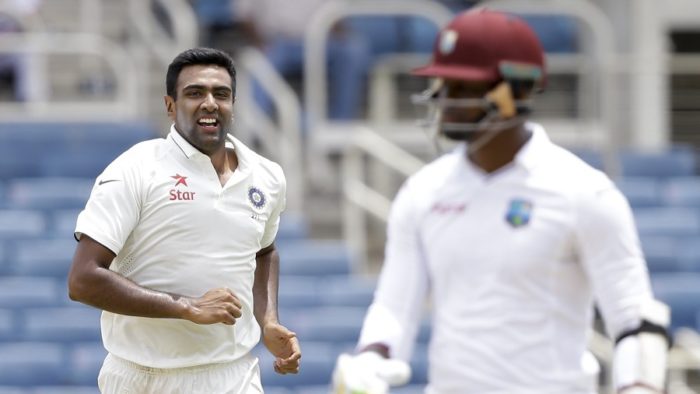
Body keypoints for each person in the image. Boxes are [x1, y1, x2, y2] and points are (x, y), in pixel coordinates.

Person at [332, 9, 669, 394]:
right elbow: (394, 307)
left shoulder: (584, 192)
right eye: (444, 86)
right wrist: (371, 359)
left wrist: (638, 386)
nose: (446, 102)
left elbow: (635, 318)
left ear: (519, 92)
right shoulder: (423, 192)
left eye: (464, 89)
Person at [67, 47, 301, 393]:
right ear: (170, 106)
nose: (210, 103)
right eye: (195, 93)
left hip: (231, 375)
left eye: (221, 94)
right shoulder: (136, 168)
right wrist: (186, 307)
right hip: (141, 376)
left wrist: (267, 320)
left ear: (233, 105)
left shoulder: (267, 176)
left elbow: (264, 252)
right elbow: (82, 280)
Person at [232, 0, 370, 120]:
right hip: (276, 43)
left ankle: (341, 126)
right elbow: (243, 14)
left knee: (352, 50)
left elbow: (336, 15)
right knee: (259, 64)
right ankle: (256, 132)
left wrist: (337, 34)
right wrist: (259, 42)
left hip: (320, 41)